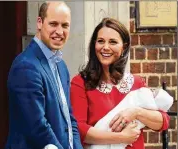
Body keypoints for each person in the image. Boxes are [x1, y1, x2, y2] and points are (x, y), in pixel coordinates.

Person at [70, 17, 170, 149]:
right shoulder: (80, 83)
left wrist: (135, 112)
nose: (105, 47)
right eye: (100, 41)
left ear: (124, 46)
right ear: (94, 44)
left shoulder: (137, 83)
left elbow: (163, 122)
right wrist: (122, 138)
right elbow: (79, 130)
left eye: (113, 42)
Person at [5, 2, 83, 149]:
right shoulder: (26, 66)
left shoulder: (61, 65)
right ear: (40, 23)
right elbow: (37, 127)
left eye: (65, 25)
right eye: (53, 24)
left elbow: (69, 120)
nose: (59, 31)